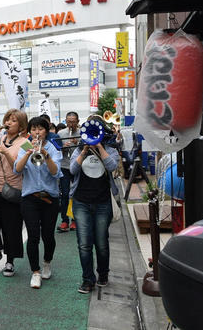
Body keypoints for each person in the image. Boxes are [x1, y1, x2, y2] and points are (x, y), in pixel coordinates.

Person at [70, 115, 119, 294]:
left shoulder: (110, 149)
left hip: (103, 203)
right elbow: (73, 170)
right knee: (84, 243)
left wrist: (99, 146)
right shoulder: (79, 150)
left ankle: (103, 274)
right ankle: (87, 280)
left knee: (101, 242)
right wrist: (83, 152)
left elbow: (112, 166)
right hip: (81, 202)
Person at [14, 116, 62, 289]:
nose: (36, 132)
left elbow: (56, 173)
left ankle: (47, 262)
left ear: (46, 131)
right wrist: (27, 154)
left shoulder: (53, 148)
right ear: (29, 131)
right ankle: (35, 272)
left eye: (40, 129)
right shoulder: (25, 147)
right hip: (30, 199)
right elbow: (17, 170)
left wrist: (47, 156)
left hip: (50, 199)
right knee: (33, 236)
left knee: (48, 236)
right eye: (33, 129)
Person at [0, 109, 28, 277]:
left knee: (11, 226)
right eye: (7, 119)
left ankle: (10, 260)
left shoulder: (25, 143)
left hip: (13, 189)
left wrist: (5, 151)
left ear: (21, 125)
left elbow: (20, 167)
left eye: (13, 120)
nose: (8, 122)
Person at [56, 111, 81, 232]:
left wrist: (78, 144)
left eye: (73, 121)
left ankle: (75, 220)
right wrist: (63, 147)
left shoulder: (81, 133)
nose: (71, 124)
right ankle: (65, 220)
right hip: (65, 166)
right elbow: (56, 151)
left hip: (77, 166)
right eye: (69, 121)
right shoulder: (61, 133)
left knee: (76, 193)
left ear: (78, 122)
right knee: (65, 194)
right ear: (65, 121)